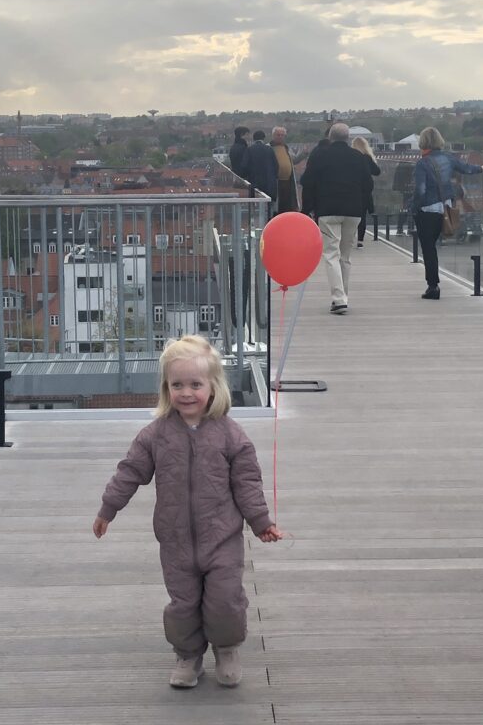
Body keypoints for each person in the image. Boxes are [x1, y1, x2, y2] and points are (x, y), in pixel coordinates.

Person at [93, 336, 283, 689]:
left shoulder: (230, 435)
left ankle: (226, 649)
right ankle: (188, 654)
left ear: (213, 387)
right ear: (167, 388)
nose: (186, 393)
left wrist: (261, 522)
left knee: (225, 600)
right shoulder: (155, 436)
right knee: (183, 604)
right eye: (177, 384)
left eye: (196, 384)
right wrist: (109, 508)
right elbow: (130, 471)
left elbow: (247, 483)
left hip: (222, 537)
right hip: (176, 539)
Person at [300, 123, 372, 314]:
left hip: (328, 209)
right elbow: (369, 184)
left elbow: (306, 182)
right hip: (353, 211)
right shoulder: (358, 157)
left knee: (331, 253)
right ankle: (343, 297)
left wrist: (307, 209)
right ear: (348, 138)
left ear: (330, 137)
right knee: (345, 256)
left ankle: (339, 299)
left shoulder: (320, 156)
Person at [412, 126, 483, 299]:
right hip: (445, 208)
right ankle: (433, 284)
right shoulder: (449, 158)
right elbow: (467, 169)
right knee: (434, 245)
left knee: (428, 248)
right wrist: (482, 168)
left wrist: (414, 208)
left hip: (427, 210)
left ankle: (433, 286)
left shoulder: (422, 163)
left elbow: (420, 190)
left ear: (423, 142)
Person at [352, 136, 381, 248]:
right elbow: (377, 171)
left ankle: (351, 236)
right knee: (362, 215)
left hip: (353, 189)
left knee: (352, 215)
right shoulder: (367, 158)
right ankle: (360, 240)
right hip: (365, 191)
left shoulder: (352, 158)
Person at [245, 129, 279, 210]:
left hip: (255, 183)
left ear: (254, 139)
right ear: (263, 138)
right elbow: (276, 166)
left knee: (255, 209)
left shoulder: (249, 150)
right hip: (269, 183)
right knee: (269, 208)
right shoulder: (270, 149)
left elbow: (245, 166)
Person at [270, 126, 299, 214]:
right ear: (273, 136)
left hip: (288, 183)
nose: (280, 137)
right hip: (275, 183)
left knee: (288, 207)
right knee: (277, 208)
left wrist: (304, 154)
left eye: (282, 135)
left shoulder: (287, 148)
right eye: (278, 135)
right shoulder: (269, 148)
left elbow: (294, 160)